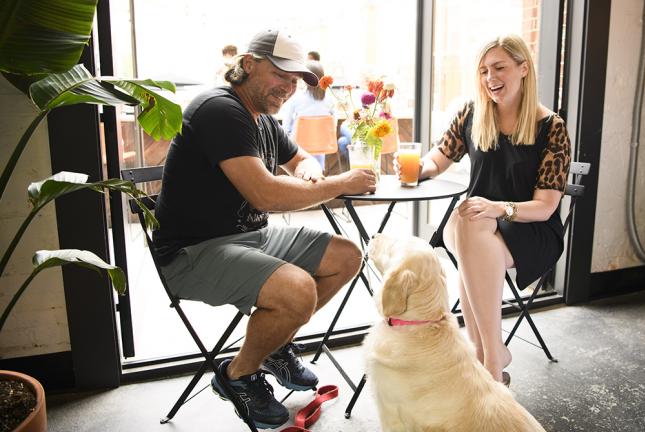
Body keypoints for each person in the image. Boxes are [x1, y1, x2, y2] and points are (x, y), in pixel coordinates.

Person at [153, 29, 376, 429]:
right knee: (298, 289)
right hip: (193, 253)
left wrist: (308, 168)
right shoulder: (220, 109)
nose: (288, 88)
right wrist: (340, 184)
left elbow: (300, 159)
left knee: (347, 256)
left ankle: (273, 346)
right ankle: (238, 373)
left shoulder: (263, 121)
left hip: (250, 239)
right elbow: (265, 196)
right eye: (281, 76)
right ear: (249, 64)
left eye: (294, 82)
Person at [397, 34, 571, 385]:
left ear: (523, 69)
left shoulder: (551, 127)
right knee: (469, 221)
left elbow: (545, 207)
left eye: (499, 67)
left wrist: (497, 208)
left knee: (472, 226)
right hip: (474, 222)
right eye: (483, 70)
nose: (490, 77)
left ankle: (485, 357)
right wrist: (420, 168)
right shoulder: (472, 114)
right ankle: (493, 357)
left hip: (528, 226)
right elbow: (439, 157)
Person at [280, 61, 335, 169]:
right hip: (322, 145)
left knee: (292, 130)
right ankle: (320, 171)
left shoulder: (296, 97)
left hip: (299, 147)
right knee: (318, 137)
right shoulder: (330, 99)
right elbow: (334, 123)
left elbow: (285, 126)